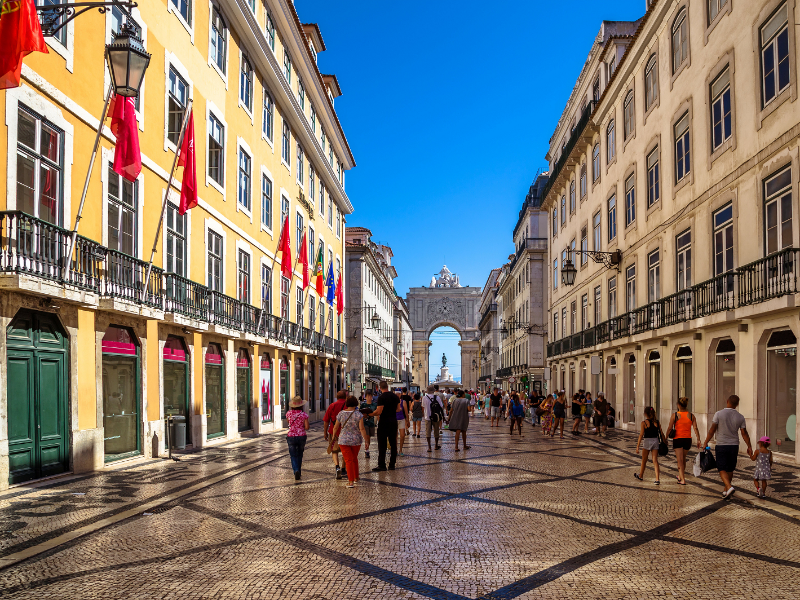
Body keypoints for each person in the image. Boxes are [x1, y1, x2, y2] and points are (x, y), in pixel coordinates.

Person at [703, 394, 752, 499]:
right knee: (730, 469)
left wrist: (706, 441)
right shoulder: (740, 417)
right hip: (734, 445)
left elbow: (712, 430)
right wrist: (749, 446)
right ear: (737, 404)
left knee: (721, 468)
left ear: (727, 401)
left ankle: (729, 487)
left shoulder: (719, 414)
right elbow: (744, 433)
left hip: (721, 445)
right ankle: (726, 491)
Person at [332, 396, 367, 488]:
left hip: (344, 440)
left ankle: (350, 481)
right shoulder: (359, 414)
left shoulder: (341, 414)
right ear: (356, 403)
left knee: (348, 460)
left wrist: (333, 435)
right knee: (354, 458)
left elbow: (336, 427)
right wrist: (366, 439)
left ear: (346, 404)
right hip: (356, 440)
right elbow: (362, 428)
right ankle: (356, 477)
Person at [665, 397, 701, 485]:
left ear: (678, 405)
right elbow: (695, 428)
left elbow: (670, 428)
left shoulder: (675, 415)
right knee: (683, 459)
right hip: (688, 439)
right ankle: (680, 476)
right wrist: (699, 439)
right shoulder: (691, 416)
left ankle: (682, 480)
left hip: (678, 439)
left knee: (679, 460)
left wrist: (665, 438)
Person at [367, 381, 400, 471]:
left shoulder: (381, 397)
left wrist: (370, 414)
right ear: (387, 387)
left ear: (379, 388)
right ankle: (392, 465)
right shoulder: (395, 396)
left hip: (384, 422)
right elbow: (398, 409)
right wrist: (391, 410)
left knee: (382, 444)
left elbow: (379, 411)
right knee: (393, 443)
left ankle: (382, 465)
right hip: (393, 421)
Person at [635, 406, 665, 484]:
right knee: (655, 460)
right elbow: (661, 433)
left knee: (644, 460)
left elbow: (641, 435)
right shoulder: (657, 422)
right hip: (655, 441)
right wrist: (665, 441)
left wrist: (638, 446)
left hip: (647, 441)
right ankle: (657, 479)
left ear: (645, 414)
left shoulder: (644, 423)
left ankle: (641, 475)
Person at [323, 390, 348, 479]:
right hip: (345, 432)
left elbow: (326, 420)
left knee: (334, 450)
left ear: (336, 397)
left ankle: (337, 467)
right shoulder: (347, 405)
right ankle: (344, 468)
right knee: (345, 451)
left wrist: (325, 432)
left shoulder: (332, 406)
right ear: (345, 397)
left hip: (333, 432)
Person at [286, 396, 309, 481]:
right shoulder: (304, 415)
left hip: (291, 436)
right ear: (301, 405)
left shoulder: (288, 413)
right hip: (301, 436)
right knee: (300, 454)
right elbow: (307, 427)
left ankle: (295, 470)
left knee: (293, 455)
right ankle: (298, 470)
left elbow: (289, 423)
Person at [423, 386, 445, 451]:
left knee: (428, 432)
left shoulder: (424, 398)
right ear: (433, 391)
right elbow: (441, 407)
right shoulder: (437, 397)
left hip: (427, 417)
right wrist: (443, 416)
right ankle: (436, 445)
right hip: (436, 416)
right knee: (436, 431)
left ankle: (429, 447)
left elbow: (423, 407)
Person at [359, 390, 377, 459]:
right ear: (365, 397)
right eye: (368, 396)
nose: (369, 397)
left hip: (371, 423)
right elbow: (360, 413)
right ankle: (367, 450)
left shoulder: (374, 405)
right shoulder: (363, 405)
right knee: (367, 437)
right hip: (364, 423)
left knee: (369, 437)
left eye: (370, 396)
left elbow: (376, 413)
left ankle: (367, 449)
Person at [397, 389, 411, 456]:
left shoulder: (403, 402)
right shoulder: (392, 401)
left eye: (399, 393)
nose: (397, 395)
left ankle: (401, 449)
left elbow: (406, 412)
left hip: (402, 419)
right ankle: (396, 450)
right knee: (395, 436)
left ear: (401, 394)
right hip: (394, 420)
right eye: (396, 393)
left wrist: (407, 421)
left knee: (402, 435)